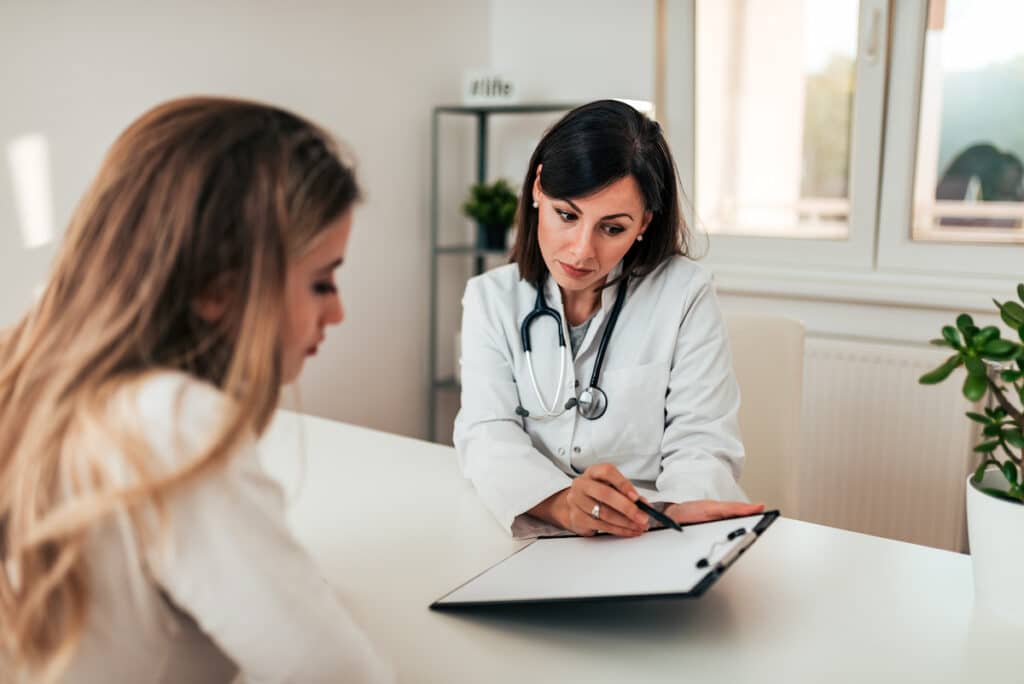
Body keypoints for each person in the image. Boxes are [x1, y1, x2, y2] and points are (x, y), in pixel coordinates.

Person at [0, 98, 392, 683]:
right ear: (217, 287)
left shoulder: (23, 367)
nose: (337, 313)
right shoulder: (171, 423)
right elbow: (338, 674)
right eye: (321, 281)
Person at [454, 100, 763, 538]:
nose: (582, 251)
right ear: (539, 187)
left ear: (644, 224)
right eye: (567, 215)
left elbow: (702, 442)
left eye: (612, 228)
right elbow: (487, 434)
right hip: (541, 525)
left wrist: (674, 514)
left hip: (652, 531)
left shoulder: (685, 294)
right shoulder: (491, 298)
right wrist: (563, 505)